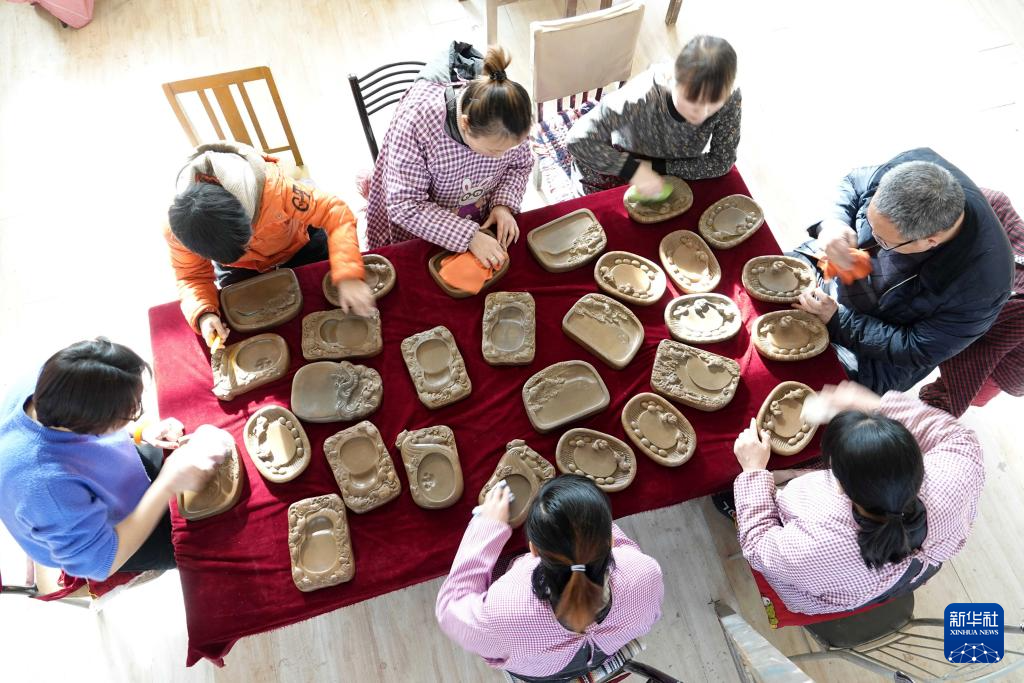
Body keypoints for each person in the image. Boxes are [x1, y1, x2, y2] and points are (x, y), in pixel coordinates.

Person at [732, 381, 984, 615]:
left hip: (822, 587)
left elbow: (758, 547)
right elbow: (956, 435)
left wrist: (753, 471)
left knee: (749, 500)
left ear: (839, 483)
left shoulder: (819, 540)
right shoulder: (953, 475)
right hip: (908, 569)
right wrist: (874, 406)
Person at [0, 339, 233, 581]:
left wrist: (141, 431)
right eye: (130, 412)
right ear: (94, 425)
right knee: (209, 542)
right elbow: (99, 563)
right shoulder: (46, 486)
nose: (136, 412)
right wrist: (166, 485)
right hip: (101, 541)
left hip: (108, 476)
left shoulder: (52, 380)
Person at [791, 148, 1014, 393]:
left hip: (881, 345)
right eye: (869, 221)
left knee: (808, 379)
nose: (872, 239)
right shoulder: (914, 167)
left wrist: (839, 320)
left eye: (883, 241)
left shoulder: (984, 286)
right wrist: (834, 223)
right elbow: (854, 183)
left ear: (930, 241)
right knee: (775, 282)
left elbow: (916, 347)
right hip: (834, 270)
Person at [436, 475, 664, 681]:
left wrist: (488, 525)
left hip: (541, 673)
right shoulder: (644, 573)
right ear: (610, 541)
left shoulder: (507, 609)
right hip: (601, 654)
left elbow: (450, 608)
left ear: (533, 550)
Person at [166, 140, 370, 349]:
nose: (247, 249)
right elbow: (191, 275)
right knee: (247, 324)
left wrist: (348, 274)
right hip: (241, 268)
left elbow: (334, 213)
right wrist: (204, 314)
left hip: (298, 244)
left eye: (246, 242)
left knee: (324, 297)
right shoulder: (180, 230)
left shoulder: (275, 189)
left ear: (247, 218)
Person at [364, 46, 534, 270]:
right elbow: (405, 204)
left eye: (511, 148)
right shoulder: (418, 123)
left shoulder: (508, 119)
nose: (504, 156)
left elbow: (519, 165)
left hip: (477, 209)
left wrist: (502, 204)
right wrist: (469, 236)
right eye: (494, 151)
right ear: (465, 123)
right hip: (424, 224)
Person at [565, 35, 741, 197]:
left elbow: (722, 161)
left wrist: (659, 167)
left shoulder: (729, 97)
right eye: (691, 100)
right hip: (624, 158)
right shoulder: (641, 95)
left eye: (712, 106)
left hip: (671, 166)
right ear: (672, 79)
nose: (701, 113)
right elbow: (577, 140)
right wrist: (632, 169)